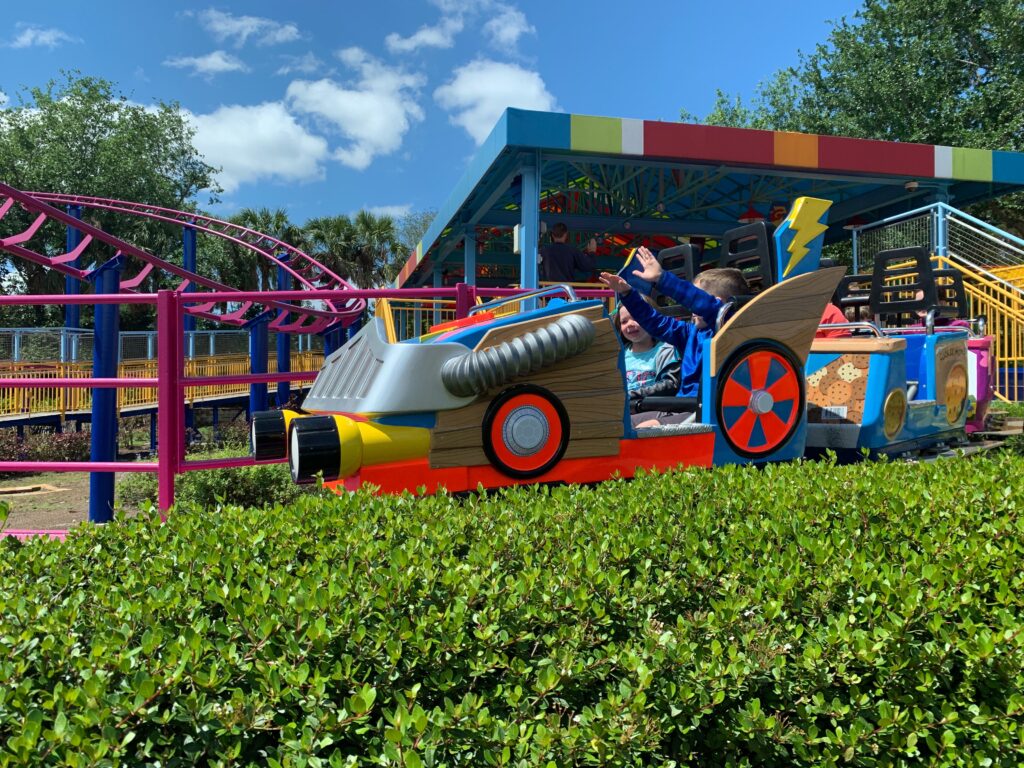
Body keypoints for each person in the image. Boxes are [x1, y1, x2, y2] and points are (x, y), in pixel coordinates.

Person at [599, 247, 749, 427]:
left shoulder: (727, 330)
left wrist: (661, 278)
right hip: (681, 407)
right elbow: (655, 322)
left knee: (644, 428)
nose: (691, 308)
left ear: (717, 302)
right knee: (622, 423)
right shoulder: (690, 332)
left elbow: (701, 303)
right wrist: (628, 294)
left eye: (697, 302)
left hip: (703, 412)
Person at [613, 299, 680, 408]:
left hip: (652, 409)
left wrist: (630, 395)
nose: (630, 324)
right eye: (624, 321)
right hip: (622, 409)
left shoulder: (665, 350)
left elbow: (669, 385)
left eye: (636, 318)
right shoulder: (619, 354)